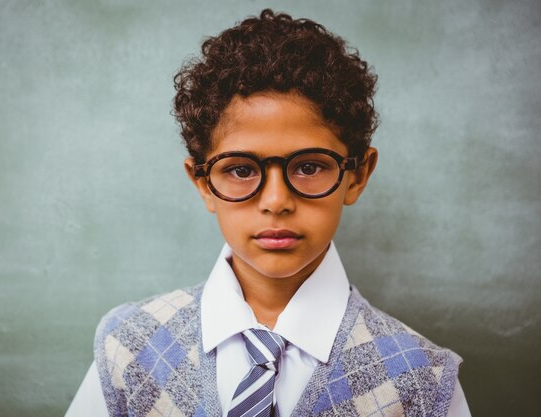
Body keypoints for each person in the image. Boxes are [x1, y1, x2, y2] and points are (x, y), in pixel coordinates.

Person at [66, 9, 471, 417]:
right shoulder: (130, 348)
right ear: (203, 183)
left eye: (309, 166)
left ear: (357, 175)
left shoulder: (423, 381)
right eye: (240, 170)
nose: (276, 201)